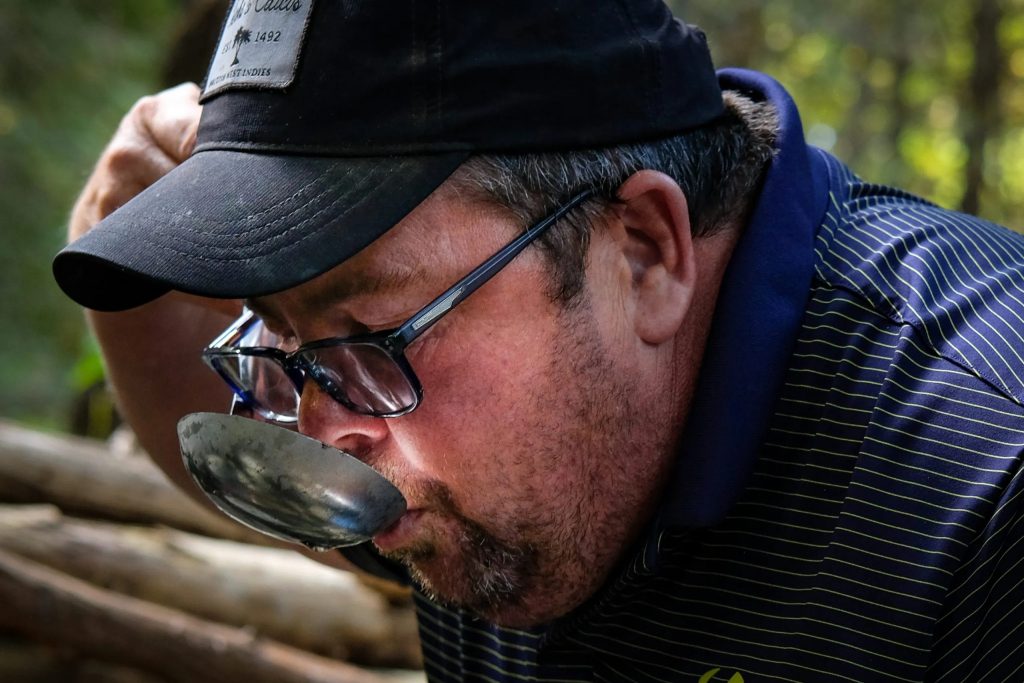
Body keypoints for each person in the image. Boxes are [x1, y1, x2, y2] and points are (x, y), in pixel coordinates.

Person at [55, 1, 1024, 681]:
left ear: (644, 250)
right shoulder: (480, 455)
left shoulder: (983, 492)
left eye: (367, 330)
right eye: (280, 334)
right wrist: (131, 293)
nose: (318, 434)